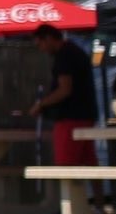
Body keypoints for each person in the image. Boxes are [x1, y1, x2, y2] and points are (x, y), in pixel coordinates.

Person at [27, 23, 99, 172]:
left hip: (70, 118)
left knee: (66, 165)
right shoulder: (77, 52)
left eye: (40, 44)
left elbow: (64, 89)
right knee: (89, 163)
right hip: (86, 114)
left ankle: (70, 195)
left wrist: (41, 104)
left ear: (48, 38)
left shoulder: (64, 56)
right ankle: (98, 196)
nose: (42, 49)